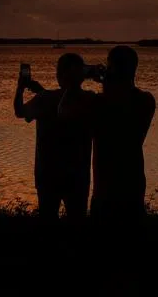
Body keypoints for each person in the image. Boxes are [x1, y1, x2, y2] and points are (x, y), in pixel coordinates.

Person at [13, 53, 94, 221]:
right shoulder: (90, 100)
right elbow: (64, 103)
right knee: (77, 220)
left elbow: (19, 111)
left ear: (59, 74)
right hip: (78, 174)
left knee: (47, 220)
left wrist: (21, 87)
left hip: (48, 174)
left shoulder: (45, 99)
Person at [88, 45, 155, 229]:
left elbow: (66, 112)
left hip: (105, 188)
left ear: (114, 69)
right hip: (133, 183)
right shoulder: (146, 100)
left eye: (109, 67)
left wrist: (103, 83)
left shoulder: (100, 102)